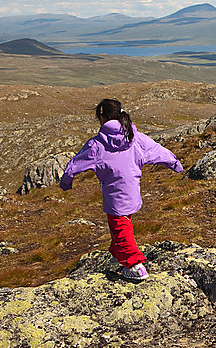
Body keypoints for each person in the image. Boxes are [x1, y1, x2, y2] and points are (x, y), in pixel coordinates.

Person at [59, 99, 184, 280]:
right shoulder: (135, 137)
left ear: (101, 117)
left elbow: (75, 164)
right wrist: (175, 163)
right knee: (121, 225)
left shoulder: (97, 145)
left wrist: (66, 182)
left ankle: (134, 264)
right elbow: (158, 150)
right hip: (133, 192)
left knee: (120, 226)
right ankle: (117, 254)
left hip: (114, 197)